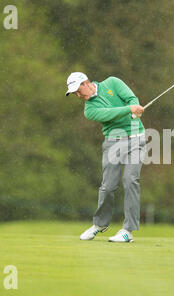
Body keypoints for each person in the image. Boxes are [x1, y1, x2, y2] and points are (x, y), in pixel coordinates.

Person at [65, 72, 146, 242]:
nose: (78, 95)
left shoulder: (113, 83)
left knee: (130, 180)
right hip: (113, 142)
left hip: (136, 138)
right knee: (108, 186)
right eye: (75, 94)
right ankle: (100, 224)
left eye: (79, 91)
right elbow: (109, 114)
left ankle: (128, 230)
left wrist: (135, 108)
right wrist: (128, 109)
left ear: (86, 82)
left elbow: (132, 98)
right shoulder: (89, 110)